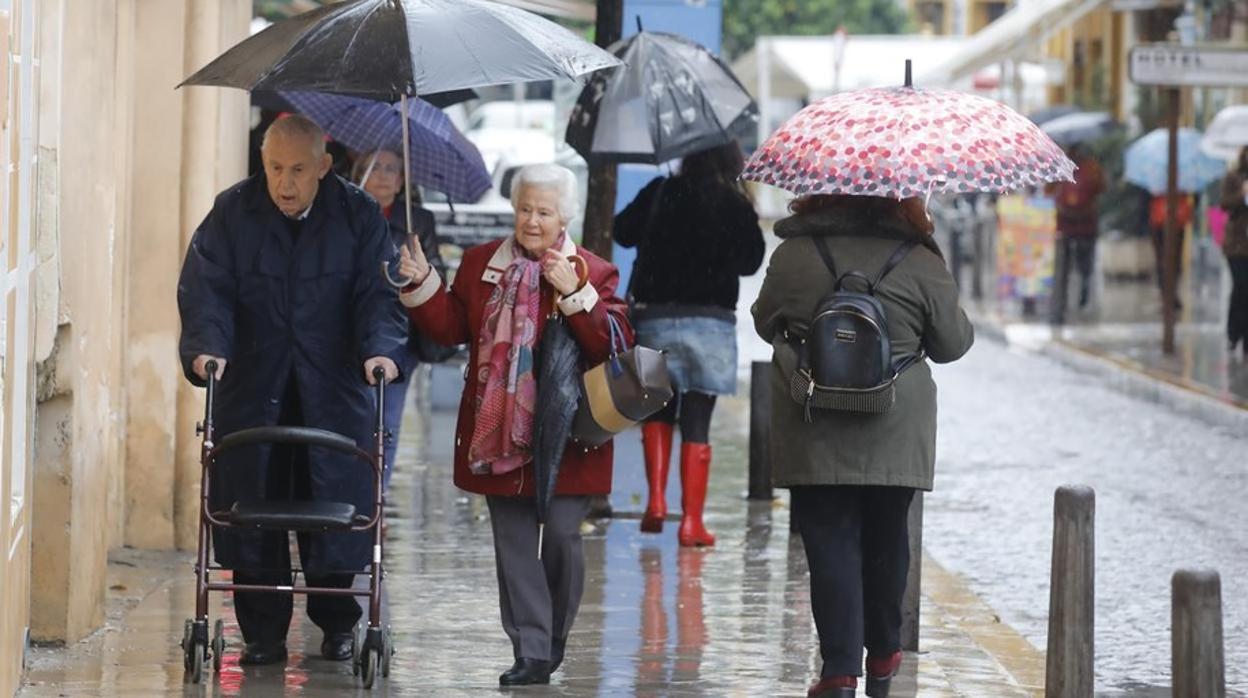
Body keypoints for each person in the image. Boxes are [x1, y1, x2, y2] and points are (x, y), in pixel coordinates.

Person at [177, 114, 406, 666]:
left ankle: (337, 624)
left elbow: (378, 294)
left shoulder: (356, 215)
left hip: (332, 390)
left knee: (336, 510)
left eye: (299, 169)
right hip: (253, 387)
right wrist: (208, 347)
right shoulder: (232, 211)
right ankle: (262, 634)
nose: (285, 181)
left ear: (325, 167)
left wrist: (381, 349)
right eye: (275, 167)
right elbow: (208, 290)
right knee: (250, 512)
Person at [395, 163, 632, 686]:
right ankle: (530, 649)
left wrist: (575, 294)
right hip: (498, 429)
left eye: (544, 212)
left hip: (571, 434)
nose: (531, 221)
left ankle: (553, 636)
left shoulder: (593, 268)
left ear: (564, 215)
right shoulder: (482, 264)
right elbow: (453, 327)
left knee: (566, 539)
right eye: (525, 209)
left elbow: (612, 344)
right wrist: (422, 285)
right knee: (515, 543)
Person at [751, 194, 973, 698]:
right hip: (895, 423)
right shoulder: (919, 258)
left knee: (829, 543)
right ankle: (886, 649)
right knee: (887, 538)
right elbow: (952, 344)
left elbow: (766, 323)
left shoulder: (795, 253)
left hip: (814, 418)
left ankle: (839, 669)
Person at [614, 142, 765, 547]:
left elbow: (621, 231)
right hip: (710, 324)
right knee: (698, 418)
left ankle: (658, 501)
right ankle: (691, 522)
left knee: (657, 411)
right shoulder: (732, 204)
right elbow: (751, 261)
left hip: (653, 319)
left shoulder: (661, 190)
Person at [352, 149, 450, 488]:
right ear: (358, 174)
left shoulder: (417, 222)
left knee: (386, 422)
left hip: (399, 334)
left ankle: (375, 499)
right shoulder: (345, 214)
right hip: (349, 332)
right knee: (350, 421)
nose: (381, 175)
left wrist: (419, 274)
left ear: (402, 179)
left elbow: (436, 275)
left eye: (390, 169)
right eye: (373, 167)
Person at [1051, 145, 1106, 318]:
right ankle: (1071, 299)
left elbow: (1100, 187)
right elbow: (1102, 188)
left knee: (1078, 265)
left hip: (1079, 224)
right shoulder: (1067, 167)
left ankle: (1077, 297)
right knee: (1074, 265)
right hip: (1074, 224)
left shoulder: (1086, 168)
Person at [1219, 146, 1248, 356]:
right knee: (1240, 286)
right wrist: (1243, 193)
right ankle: (1233, 333)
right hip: (1237, 244)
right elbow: (1224, 204)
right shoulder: (1233, 177)